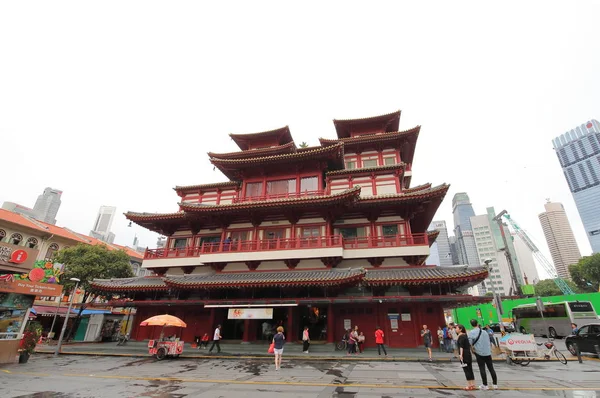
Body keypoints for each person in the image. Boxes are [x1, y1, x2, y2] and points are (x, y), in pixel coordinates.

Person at [469, 319, 498, 390]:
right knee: (491, 368)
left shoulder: (472, 332)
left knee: (482, 369)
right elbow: (488, 340)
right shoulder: (484, 331)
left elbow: (470, 343)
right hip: (487, 352)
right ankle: (495, 384)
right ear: (477, 323)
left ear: (471, 324)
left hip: (479, 353)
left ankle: (485, 385)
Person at [456, 324, 476, 390]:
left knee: (466, 370)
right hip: (468, 354)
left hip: (464, 354)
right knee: (470, 369)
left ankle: (469, 385)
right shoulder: (465, 335)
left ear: (460, 329)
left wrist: (461, 355)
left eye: (457, 328)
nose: (456, 329)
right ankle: (473, 384)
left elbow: (461, 346)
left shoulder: (461, 336)